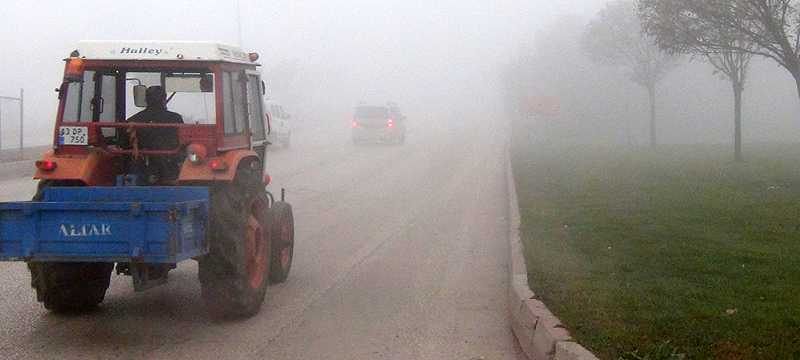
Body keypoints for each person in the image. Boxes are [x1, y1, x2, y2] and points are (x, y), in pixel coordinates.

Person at [124, 86, 184, 183]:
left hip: (139, 167)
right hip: (170, 167)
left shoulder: (133, 120)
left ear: (146, 100)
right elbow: (182, 142)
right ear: (164, 100)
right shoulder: (175, 119)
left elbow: (124, 145)